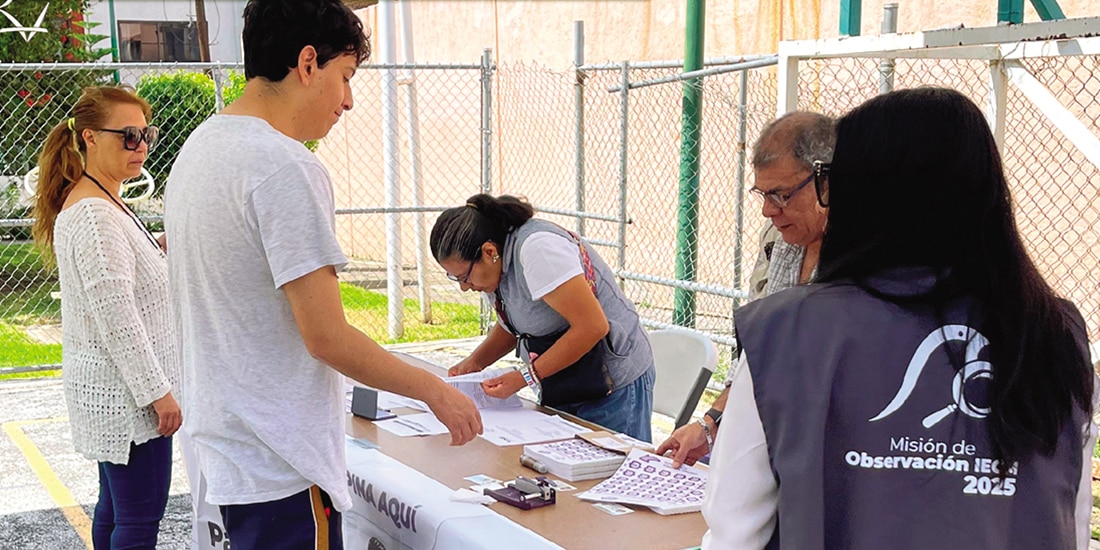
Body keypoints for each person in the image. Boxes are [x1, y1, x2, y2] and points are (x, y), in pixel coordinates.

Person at [702, 87, 1097, 549]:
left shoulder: (787, 334)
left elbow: (735, 528)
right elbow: (1070, 513)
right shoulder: (1055, 332)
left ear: (861, 191)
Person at [163, 2, 481, 548]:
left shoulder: (199, 149)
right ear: (308, 63)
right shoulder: (285, 166)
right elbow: (326, 336)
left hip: (228, 451)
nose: (349, 102)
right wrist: (434, 391)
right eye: (346, 78)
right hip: (279, 465)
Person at [31, 86, 180, 549]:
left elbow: (118, 278)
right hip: (130, 400)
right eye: (128, 136)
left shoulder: (100, 199)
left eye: (146, 134)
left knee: (116, 510)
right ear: (91, 138)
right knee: (138, 521)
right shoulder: (97, 213)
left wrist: (158, 248)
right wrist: (160, 396)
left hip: (114, 394)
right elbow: (117, 315)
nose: (141, 146)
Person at [657, 111, 834, 467]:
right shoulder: (778, 238)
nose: (768, 210)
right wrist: (710, 424)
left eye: (781, 195)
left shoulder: (866, 255)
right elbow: (756, 353)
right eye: (762, 195)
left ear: (825, 181)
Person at [431, 194, 657, 441]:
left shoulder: (538, 250)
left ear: (489, 251)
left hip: (613, 384)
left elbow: (592, 327)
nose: (465, 287)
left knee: (611, 472)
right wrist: (474, 363)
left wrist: (525, 377)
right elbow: (516, 322)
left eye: (464, 277)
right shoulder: (494, 266)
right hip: (568, 381)